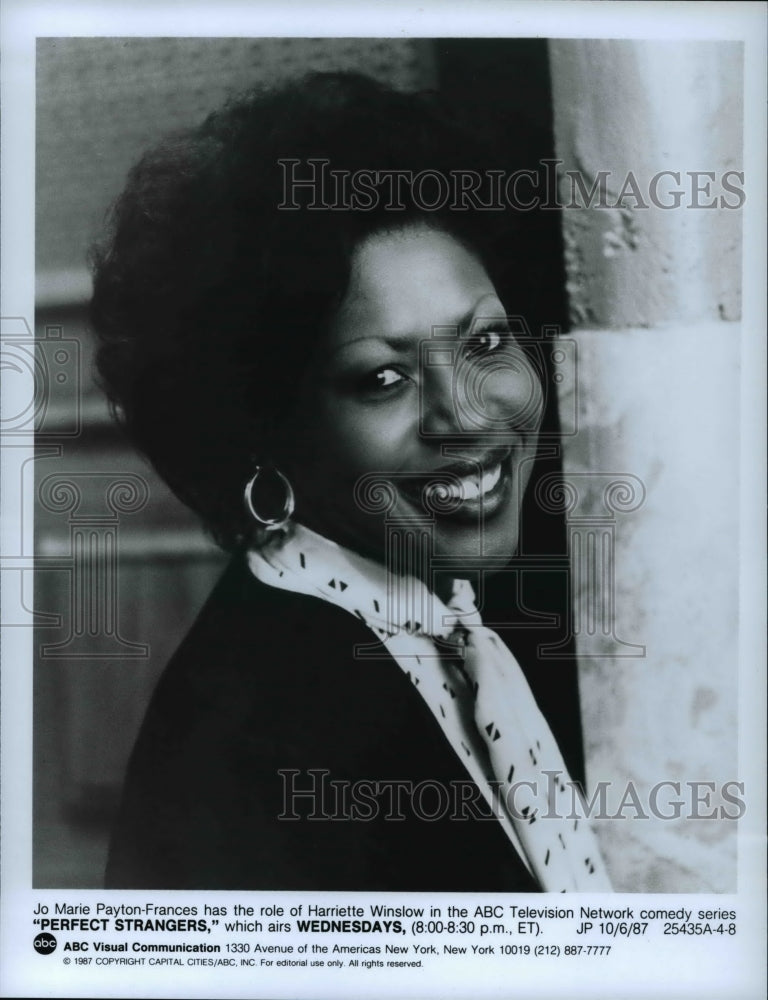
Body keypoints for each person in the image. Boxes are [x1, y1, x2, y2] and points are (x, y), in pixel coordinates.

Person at [91, 71, 611, 891]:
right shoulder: (257, 732)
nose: (467, 416)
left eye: (483, 344)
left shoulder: (462, 619)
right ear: (266, 427)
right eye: (381, 379)